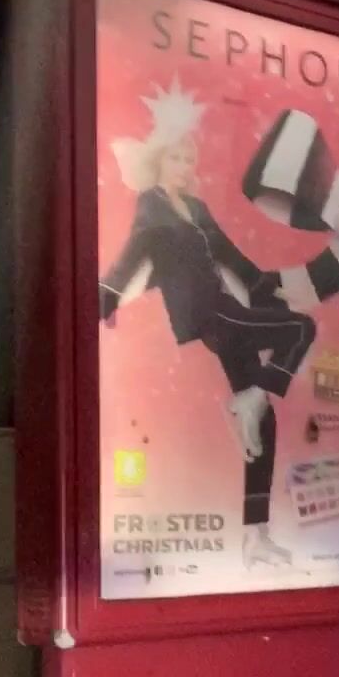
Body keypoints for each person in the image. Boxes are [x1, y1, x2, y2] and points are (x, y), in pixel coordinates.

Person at [99, 81, 321, 568]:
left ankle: (256, 536)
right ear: (159, 161)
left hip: (224, 309)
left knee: (264, 421)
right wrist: (100, 302)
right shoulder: (151, 207)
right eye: (177, 157)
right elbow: (126, 264)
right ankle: (252, 398)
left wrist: (269, 288)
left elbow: (233, 258)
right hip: (207, 314)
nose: (185, 166)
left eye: (189, 159)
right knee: (300, 330)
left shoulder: (196, 208)